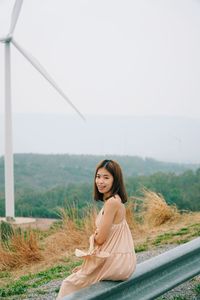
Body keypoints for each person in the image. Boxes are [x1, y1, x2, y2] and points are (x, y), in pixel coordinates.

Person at [56, 159, 136, 299]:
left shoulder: (111, 203)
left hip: (115, 262)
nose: (100, 181)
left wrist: (94, 235)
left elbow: (100, 239)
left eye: (106, 177)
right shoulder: (116, 200)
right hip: (119, 259)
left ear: (115, 180)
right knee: (78, 276)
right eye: (98, 177)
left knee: (68, 284)